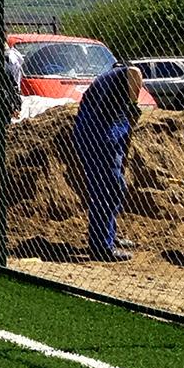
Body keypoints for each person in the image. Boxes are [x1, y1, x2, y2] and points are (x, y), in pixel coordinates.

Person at [73, 63, 145, 261]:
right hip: (99, 138)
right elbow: (135, 72)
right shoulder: (122, 74)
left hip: (100, 137)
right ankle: (102, 247)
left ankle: (109, 235)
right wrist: (133, 105)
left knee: (115, 187)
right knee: (107, 189)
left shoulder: (108, 90)